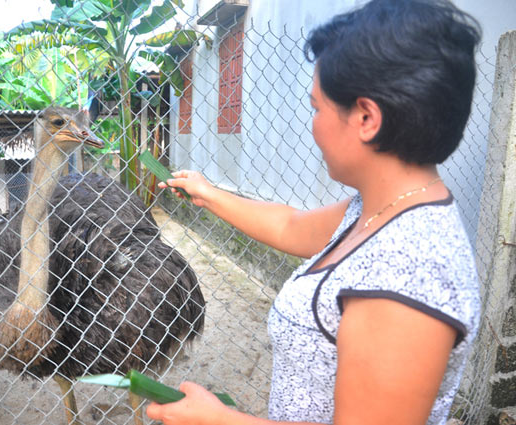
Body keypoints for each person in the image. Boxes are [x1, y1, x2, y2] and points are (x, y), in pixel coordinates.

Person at [145, 0, 482, 424]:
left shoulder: (408, 273)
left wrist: (218, 419)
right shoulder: (380, 211)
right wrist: (207, 193)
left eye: (317, 107)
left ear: (365, 118)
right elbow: (291, 225)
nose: (314, 123)